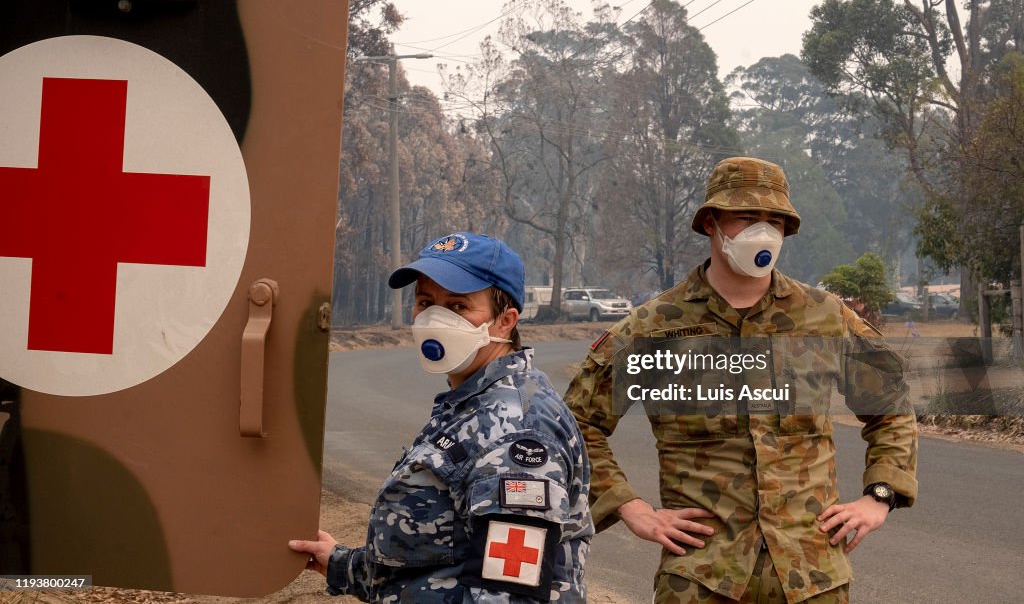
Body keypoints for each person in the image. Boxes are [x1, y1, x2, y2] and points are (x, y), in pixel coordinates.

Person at [563, 157, 918, 603]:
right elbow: (575, 425)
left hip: (811, 577)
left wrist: (880, 495)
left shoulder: (824, 316)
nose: (763, 232)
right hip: (701, 577)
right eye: (747, 218)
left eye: (775, 221)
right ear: (712, 223)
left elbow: (891, 406)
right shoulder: (654, 327)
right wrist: (627, 506)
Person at [290, 232, 592, 602]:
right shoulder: (471, 402)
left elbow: (509, 594)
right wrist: (342, 565)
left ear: (505, 321)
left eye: (459, 306)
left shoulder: (517, 431)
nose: (435, 319)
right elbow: (437, 555)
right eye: (425, 302)